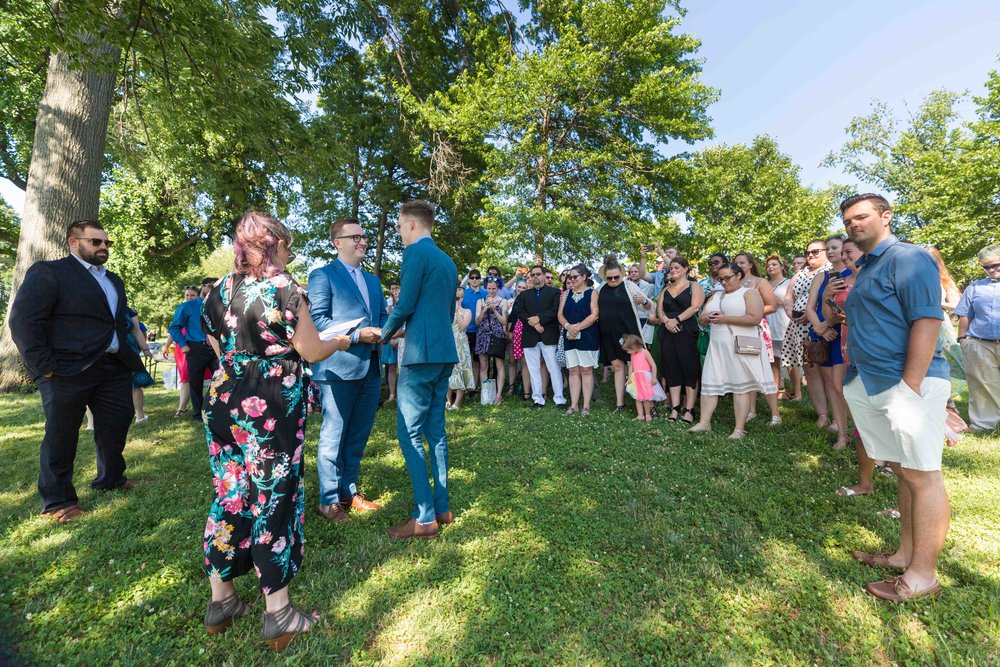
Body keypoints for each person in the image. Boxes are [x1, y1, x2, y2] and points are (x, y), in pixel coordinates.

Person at [200, 210, 350, 649]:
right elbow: (310, 348)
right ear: (273, 245)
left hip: (224, 398)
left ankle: (222, 599)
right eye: (286, 244)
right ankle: (279, 612)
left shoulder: (220, 290)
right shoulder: (285, 288)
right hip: (269, 403)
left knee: (230, 493)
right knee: (273, 496)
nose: (290, 252)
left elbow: (216, 344)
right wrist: (340, 341)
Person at [839, 194, 951, 603]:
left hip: (907, 383)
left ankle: (923, 575)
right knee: (904, 471)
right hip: (870, 380)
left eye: (862, 217)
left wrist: (910, 385)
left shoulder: (909, 257)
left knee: (923, 474)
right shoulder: (865, 267)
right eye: (848, 220)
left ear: (886, 217)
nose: (854, 225)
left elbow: (927, 319)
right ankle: (904, 553)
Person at [9, 219, 147, 523]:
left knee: (116, 424)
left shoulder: (114, 280)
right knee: (61, 434)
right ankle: (58, 501)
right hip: (66, 369)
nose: (103, 247)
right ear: (74, 243)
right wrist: (45, 367)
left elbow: (114, 321)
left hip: (112, 366)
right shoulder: (50, 272)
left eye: (107, 243)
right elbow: (23, 321)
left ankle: (111, 478)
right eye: (96, 242)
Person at [380, 200, 459, 540]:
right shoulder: (447, 259)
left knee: (409, 433)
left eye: (399, 225)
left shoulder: (414, 255)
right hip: (444, 351)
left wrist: (382, 334)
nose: (399, 231)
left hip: (419, 354)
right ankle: (442, 507)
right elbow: (447, 312)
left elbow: (406, 303)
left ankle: (425, 517)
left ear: (411, 224)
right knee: (435, 431)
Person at [307, 219, 388, 524]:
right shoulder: (322, 276)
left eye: (364, 236)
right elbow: (317, 321)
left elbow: (380, 317)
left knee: (358, 433)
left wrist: (387, 330)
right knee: (334, 433)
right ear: (337, 242)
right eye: (355, 236)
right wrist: (356, 336)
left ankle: (348, 492)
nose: (363, 241)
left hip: (370, 366)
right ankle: (328, 502)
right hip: (337, 368)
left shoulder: (373, 281)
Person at [689, 263, 776, 439]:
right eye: (720, 279)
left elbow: (755, 318)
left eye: (727, 278)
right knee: (710, 383)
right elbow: (701, 318)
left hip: (740, 345)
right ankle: (704, 422)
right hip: (717, 346)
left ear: (738, 275)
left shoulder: (749, 293)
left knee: (740, 386)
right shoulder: (715, 296)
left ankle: (739, 429)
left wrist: (725, 318)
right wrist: (704, 318)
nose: (723, 282)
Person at [824, 238, 874, 497]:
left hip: (875, 352)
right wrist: (827, 297)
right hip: (847, 347)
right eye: (841, 253)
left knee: (881, 412)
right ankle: (865, 481)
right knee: (859, 411)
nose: (843, 257)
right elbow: (832, 318)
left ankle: (888, 461)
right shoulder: (842, 281)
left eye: (848, 252)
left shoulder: (875, 277)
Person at [805, 235, 853, 448]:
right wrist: (819, 328)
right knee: (831, 384)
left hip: (842, 333)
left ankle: (852, 427)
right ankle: (841, 432)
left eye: (835, 248)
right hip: (822, 334)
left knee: (841, 384)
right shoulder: (821, 276)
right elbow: (810, 306)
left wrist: (827, 326)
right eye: (828, 248)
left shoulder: (853, 274)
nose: (831, 252)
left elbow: (844, 309)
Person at [782, 239, 832, 426]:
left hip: (822, 325)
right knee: (810, 370)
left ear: (826, 251)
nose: (810, 255)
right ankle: (822, 414)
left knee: (827, 371)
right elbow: (788, 297)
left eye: (815, 251)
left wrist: (810, 315)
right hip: (799, 327)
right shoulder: (800, 273)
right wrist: (791, 313)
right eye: (808, 252)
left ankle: (836, 414)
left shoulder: (830, 270)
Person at [955, 244, 1000, 431]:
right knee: (983, 385)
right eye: (986, 267)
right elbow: (965, 314)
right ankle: (984, 425)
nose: (991, 270)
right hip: (981, 343)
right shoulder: (975, 288)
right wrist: (963, 339)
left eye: (996, 265)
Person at [733, 252, 781, 425]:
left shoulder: (760, 282)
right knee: (746, 371)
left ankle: (775, 414)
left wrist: (751, 313)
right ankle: (751, 410)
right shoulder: (734, 284)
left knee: (762, 372)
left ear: (750, 264)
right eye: (736, 263)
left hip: (757, 329)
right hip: (739, 329)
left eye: (742, 262)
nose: (739, 265)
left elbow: (772, 306)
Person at [656, 257, 704, 423]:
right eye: (671, 268)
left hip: (686, 330)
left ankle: (689, 409)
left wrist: (676, 320)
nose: (673, 270)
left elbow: (695, 307)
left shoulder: (694, 286)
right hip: (667, 331)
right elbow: (659, 311)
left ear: (685, 269)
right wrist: (667, 322)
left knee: (689, 367)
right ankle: (675, 407)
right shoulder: (665, 290)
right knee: (671, 367)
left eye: (677, 267)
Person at [511, 265, 566, 408]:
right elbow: (520, 312)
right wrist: (535, 324)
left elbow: (554, 311)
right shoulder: (524, 295)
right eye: (533, 275)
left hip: (548, 335)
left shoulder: (554, 292)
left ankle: (559, 398)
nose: (535, 277)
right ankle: (537, 399)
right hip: (530, 336)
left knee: (554, 368)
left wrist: (539, 319)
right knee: (533, 369)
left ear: (543, 275)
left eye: (538, 274)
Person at [596, 256, 645, 414]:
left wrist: (644, 301)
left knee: (636, 367)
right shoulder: (600, 289)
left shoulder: (630, 286)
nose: (613, 280)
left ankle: (644, 403)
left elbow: (648, 305)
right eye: (609, 278)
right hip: (608, 334)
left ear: (622, 274)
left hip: (629, 334)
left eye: (616, 276)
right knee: (617, 367)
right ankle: (620, 403)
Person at [168, 277, 219, 422]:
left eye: (216, 287)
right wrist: (183, 344)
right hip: (196, 348)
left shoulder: (219, 305)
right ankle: (198, 414)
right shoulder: (187, 306)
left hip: (215, 349)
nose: (212, 289)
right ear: (202, 286)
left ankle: (216, 411)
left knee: (222, 380)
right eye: (209, 286)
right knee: (195, 383)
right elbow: (174, 327)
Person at [558, 264, 600, 415]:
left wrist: (578, 327)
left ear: (584, 277)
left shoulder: (592, 293)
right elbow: (560, 315)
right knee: (573, 370)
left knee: (586, 370)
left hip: (588, 336)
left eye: (575, 276)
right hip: (570, 336)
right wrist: (569, 327)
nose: (572, 279)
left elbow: (594, 314)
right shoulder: (566, 294)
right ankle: (574, 405)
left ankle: (586, 406)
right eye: (570, 277)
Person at [161, 286, 200, 416]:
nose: (189, 297)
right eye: (187, 295)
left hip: (196, 346)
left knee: (193, 377)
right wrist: (167, 346)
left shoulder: (199, 309)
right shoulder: (182, 308)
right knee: (185, 377)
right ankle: (182, 407)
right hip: (182, 348)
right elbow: (174, 329)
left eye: (192, 295)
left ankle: (199, 406)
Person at [765, 255, 796, 400]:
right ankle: (777, 389)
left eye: (774, 264)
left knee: (791, 360)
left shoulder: (789, 283)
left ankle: (797, 392)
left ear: (782, 267)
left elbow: (797, 303)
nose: (770, 267)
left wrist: (781, 301)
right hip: (769, 324)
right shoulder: (765, 284)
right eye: (768, 265)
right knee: (774, 360)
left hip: (785, 323)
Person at [474, 277, 508, 405]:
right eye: (489, 288)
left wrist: (494, 310)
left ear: (498, 288)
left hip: (497, 336)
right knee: (483, 366)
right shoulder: (480, 301)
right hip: (483, 335)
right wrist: (484, 310)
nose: (491, 291)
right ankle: (486, 395)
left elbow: (504, 321)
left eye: (494, 288)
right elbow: (477, 322)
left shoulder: (503, 302)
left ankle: (498, 395)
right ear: (485, 288)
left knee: (499, 366)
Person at [622, 334, 664, 421]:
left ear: (634, 347)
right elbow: (631, 367)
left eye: (628, 350)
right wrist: (629, 377)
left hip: (645, 378)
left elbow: (653, 365)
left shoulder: (645, 352)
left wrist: (654, 377)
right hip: (636, 377)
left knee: (646, 398)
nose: (627, 352)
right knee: (637, 397)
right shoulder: (633, 354)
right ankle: (640, 415)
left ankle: (648, 414)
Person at [447, 287, 476, 409]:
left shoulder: (467, 311)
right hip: (448, 342)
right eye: (453, 298)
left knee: (461, 370)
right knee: (448, 371)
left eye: (457, 298)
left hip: (461, 344)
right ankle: (448, 400)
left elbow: (463, 326)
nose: (455, 300)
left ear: (462, 298)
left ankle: (457, 402)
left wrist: (457, 312)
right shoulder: (447, 311)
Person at [125, 307, 155, 423]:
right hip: (106, 349)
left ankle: (140, 415)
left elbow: (137, 331)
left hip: (129, 350)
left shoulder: (129, 311)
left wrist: (145, 349)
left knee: (135, 383)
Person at [461, 269, 487, 388]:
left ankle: (475, 387)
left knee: (479, 361)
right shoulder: (464, 294)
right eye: (472, 277)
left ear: (480, 279)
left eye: (477, 277)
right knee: (467, 360)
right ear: (469, 279)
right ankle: (466, 385)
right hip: (466, 331)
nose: (475, 280)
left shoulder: (485, 293)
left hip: (481, 332)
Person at [381, 283, 401, 403]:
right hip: (391, 340)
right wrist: (392, 339)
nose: (395, 291)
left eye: (397, 288)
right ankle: (392, 395)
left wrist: (400, 338)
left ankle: (404, 394)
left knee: (404, 369)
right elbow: (385, 326)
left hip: (404, 339)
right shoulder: (388, 309)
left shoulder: (407, 305)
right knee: (391, 368)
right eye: (392, 289)